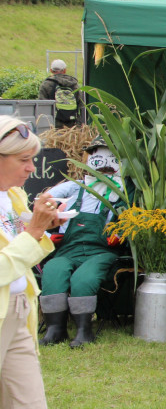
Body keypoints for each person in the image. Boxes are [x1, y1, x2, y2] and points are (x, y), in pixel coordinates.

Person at [0, 115, 63, 409]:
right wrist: (34, 232)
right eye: (23, 159)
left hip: (19, 313)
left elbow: (27, 254)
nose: (31, 168)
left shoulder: (13, 196)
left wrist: (43, 226)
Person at [39, 137, 125, 347]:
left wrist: (121, 233)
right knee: (53, 270)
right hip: (69, 248)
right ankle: (55, 329)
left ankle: (84, 331)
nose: (104, 163)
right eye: (98, 156)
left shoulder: (123, 191)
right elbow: (43, 201)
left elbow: (134, 217)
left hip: (101, 251)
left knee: (83, 279)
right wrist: (51, 223)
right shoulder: (74, 187)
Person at [37, 59, 83, 129]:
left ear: (51, 70)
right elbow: (81, 105)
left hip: (54, 126)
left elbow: (42, 106)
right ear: (64, 70)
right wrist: (79, 124)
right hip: (72, 125)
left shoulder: (46, 84)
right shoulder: (74, 85)